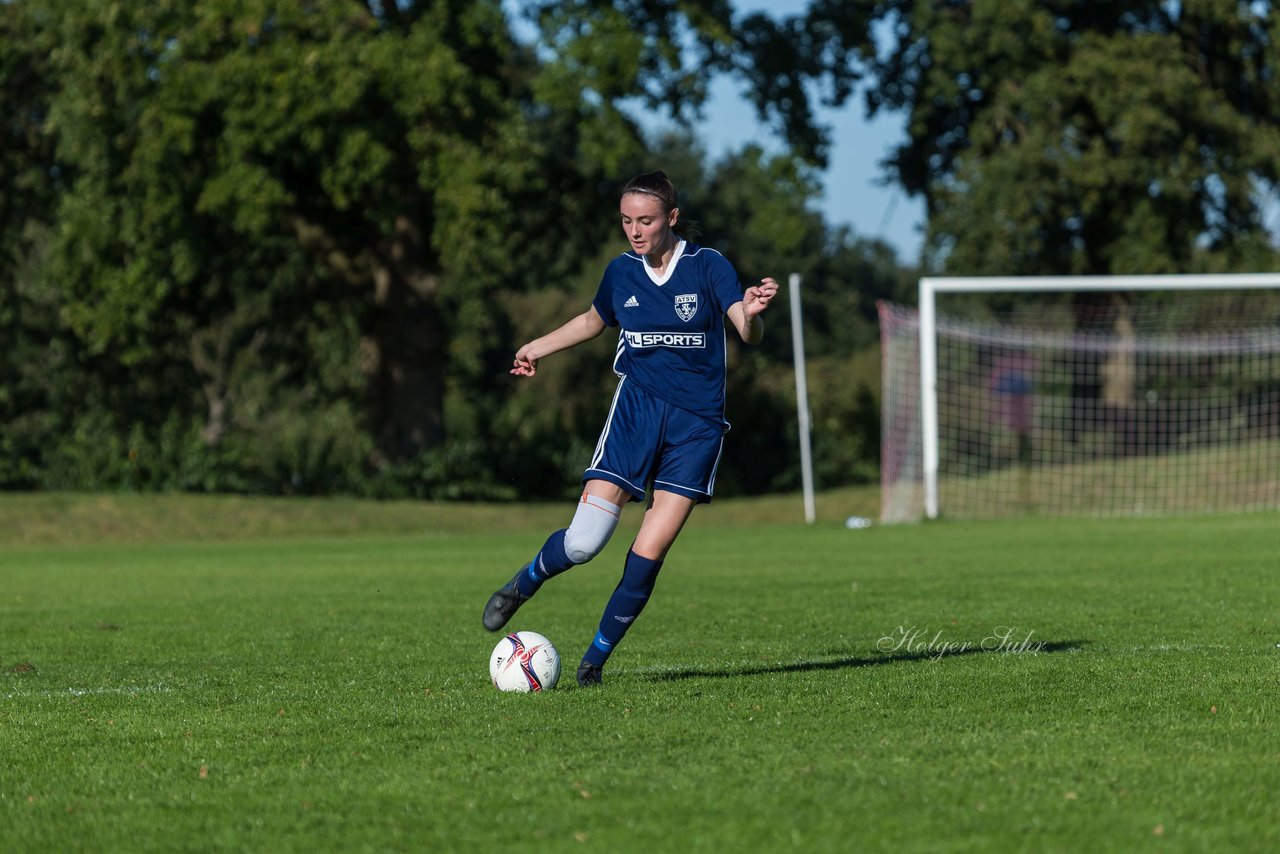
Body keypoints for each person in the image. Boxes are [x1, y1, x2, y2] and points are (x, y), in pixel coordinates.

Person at [482, 170, 779, 687]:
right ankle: (524, 582)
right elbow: (594, 320)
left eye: (646, 220)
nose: (635, 231)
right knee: (583, 544)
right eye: (626, 221)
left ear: (672, 218)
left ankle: (593, 662)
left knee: (647, 555)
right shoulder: (621, 273)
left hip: (696, 429)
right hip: (634, 413)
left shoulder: (708, 266)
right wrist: (536, 346)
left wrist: (752, 313)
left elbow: (745, 329)